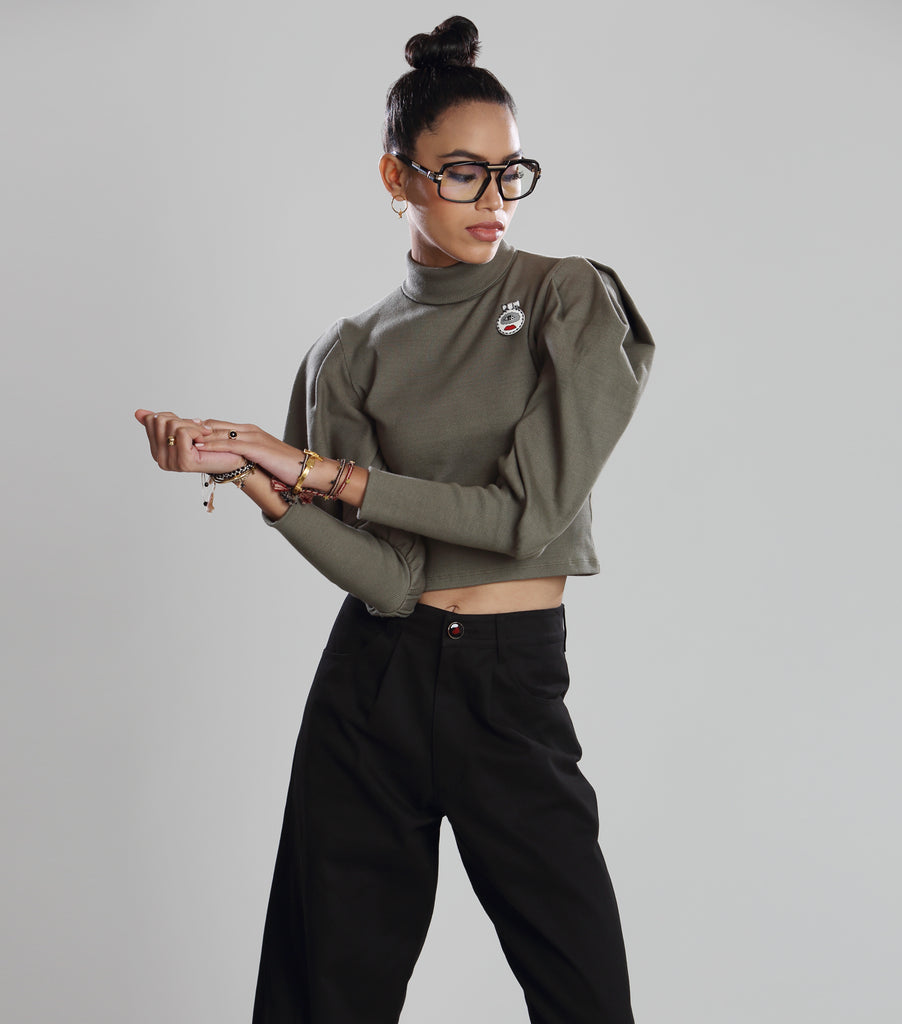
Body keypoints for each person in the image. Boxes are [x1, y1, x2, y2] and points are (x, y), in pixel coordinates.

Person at [136, 15, 654, 1024]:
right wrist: (256, 477)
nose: (493, 199)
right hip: (372, 682)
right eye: (462, 173)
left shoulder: (567, 298)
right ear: (397, 177)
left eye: (510, 173)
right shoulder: (348, 353)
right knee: (320, 997)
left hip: (509, 685)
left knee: (583, 992)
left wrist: (319, 471)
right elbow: (389, 581)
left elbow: (527, 516)